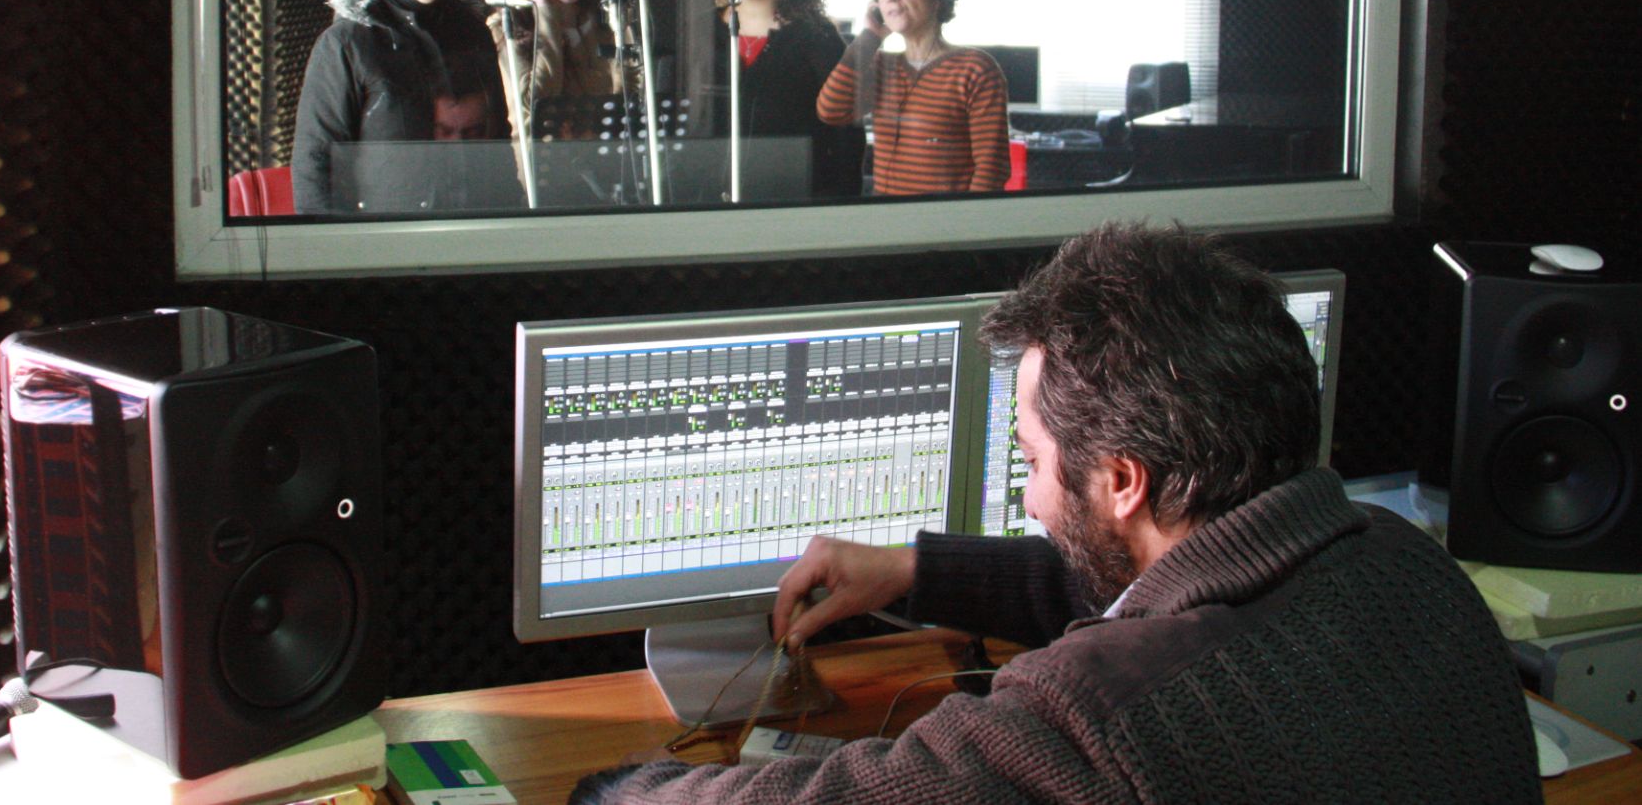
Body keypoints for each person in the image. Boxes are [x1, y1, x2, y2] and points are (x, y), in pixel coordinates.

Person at [569, 222, 1541, 804]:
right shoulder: (1406, 566)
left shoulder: (1104, 714)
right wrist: (914, 571)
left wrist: (620, 787)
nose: (1031, 495)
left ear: (1121, 480)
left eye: (1032, 460)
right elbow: (1162, 595)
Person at [290, 0, 501, 213]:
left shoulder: (472, 32)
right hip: (385, 241)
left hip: (472, 228)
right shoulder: (346, 43)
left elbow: (497, 139)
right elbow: (316, 162)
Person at [815, 0, 1009, 195]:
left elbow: (992, 167)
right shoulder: (881, 66)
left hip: (945, 225)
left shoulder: (975, 69)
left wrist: (966, 225)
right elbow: (830, 111)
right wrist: (870, 37)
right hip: (888, 221)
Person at [713, 0, 863, 199]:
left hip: (794, 202)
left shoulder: (817, 37)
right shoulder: (701, 30)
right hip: (711, 202)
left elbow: (847, 137)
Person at [488, 0, 636, 138]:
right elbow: (532, 105)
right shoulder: (506, 25)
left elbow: (631, 101)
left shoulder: (610, 22)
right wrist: (546, 15)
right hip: (540, 167)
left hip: (603, 162)